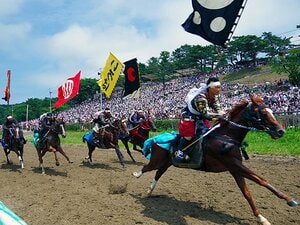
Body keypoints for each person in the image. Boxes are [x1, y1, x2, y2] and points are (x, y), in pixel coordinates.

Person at [176, 77, 225, 162]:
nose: (219, 89)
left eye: (219, 87)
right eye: (216, 87)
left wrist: (222, 113)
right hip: (189, 116)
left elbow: (218, 108)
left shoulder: (215, 96)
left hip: (200, 116)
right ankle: (180, 152)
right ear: (210, 88)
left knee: (208, 131)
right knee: (189, 136)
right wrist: (220, 116)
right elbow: (207, 115)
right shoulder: (200, 98)